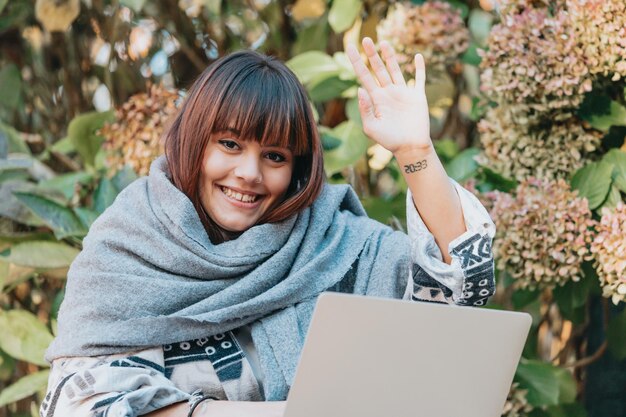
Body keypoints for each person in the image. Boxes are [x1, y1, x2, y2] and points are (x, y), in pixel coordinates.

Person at [40, 38, 496, 417]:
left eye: (275, 156)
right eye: (230, 144)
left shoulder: (331, 243)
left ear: (296, 168)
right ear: (194, 142)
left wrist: (415, 151)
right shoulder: (127, 245)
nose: (249, 173)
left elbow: (457, 292)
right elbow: (89, 398)